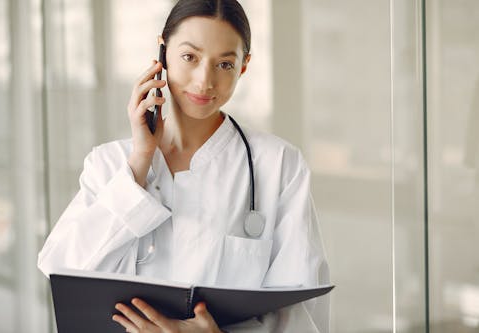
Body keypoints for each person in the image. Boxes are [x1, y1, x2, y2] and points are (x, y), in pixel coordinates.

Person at [37, 0, 330, 331]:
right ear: (163, 51)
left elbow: (301, 310)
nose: (205, 81)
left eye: (224, 64)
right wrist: (139, 164)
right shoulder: (110, 165)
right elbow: (61, 271)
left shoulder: (279, 165)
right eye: (190, 57)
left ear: (244, 66)